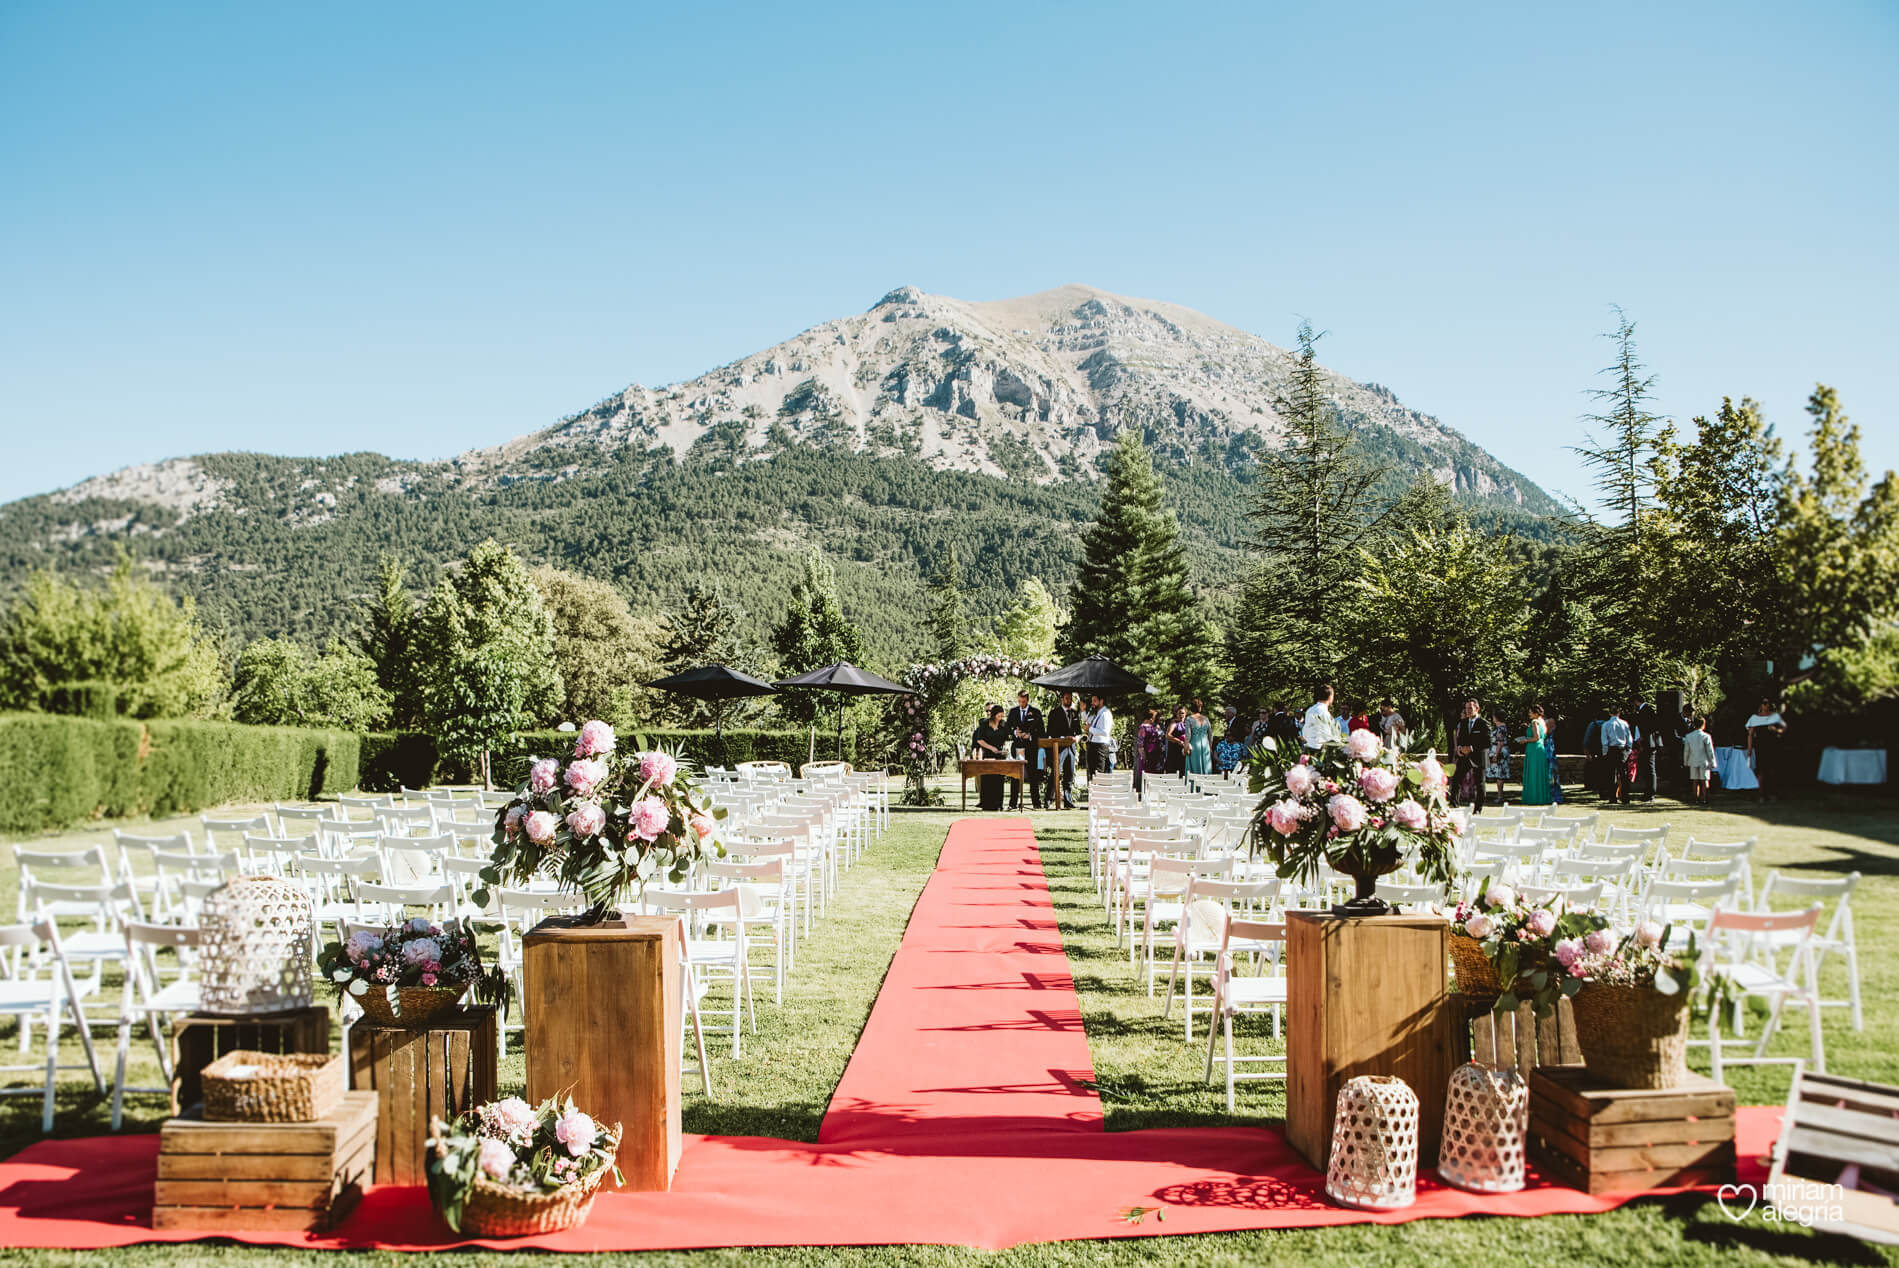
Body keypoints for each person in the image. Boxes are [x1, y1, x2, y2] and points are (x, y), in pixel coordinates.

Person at [1006, 690, 1044, 810]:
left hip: (1031, 748)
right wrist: (1014, 732)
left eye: (1023, 701)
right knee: (1016, 775)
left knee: (1033, 776)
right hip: (1019, 748)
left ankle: (1036, 803)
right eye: (1019, 701)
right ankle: (1013, 803)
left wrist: (1030, 736)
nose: (1021, 704)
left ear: (1027, 700)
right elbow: (1007, 728)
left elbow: (1042, 731)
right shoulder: (1013, 712)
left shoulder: (1036, 713)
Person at [1452, 699, 1492, 812]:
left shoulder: (1484, 724)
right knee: (1456, 780)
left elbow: (1488, 742)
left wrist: (1472, 748)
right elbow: (1460, 739)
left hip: (1479, 758)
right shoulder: (1464, 723)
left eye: (1470, 708)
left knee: (1480, 783)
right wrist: (1460, 748)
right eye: (1466, 708)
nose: (1468, 711)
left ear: (1477, 708)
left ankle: (1478, 809)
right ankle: (1454, 806)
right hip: (1465, 757)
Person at [1746, 698, 1788, 802]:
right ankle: (1761, 794)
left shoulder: (1775, 716)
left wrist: (1776, 729)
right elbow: (1750, 734)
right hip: (1761, 747)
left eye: (1768, 703)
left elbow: (1784, 728)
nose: (1766, 705)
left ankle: (1771, 793)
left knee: (1772, 770)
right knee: (1761, 770)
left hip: (1773, 746)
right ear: (1760, 705)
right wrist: (1750, 748)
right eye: (1764, 703)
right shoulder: (1754, 718)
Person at [1045, 691, 1081, 809]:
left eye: (1070, 699)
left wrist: (1076, 738)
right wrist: (1062, 738)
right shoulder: (1054, 713)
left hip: (1071, 747)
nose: (1068, 701)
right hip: (1059, 747)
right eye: (1066, 698)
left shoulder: (1075, 713)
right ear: (1062, 699)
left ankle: (1068, 800)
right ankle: (1048, 799)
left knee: (1069, 774)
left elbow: (1079, 732)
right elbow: (1050, 732)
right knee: (1055, 773)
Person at [971, 705, 1011, 811]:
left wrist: (1004, 749)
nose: (1000, 718)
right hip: (987, 754)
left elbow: (1007, 739)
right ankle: (987, 804)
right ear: (993, 715)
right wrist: (991, 748)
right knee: (987, 779)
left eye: (1002, 716)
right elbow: (979, 740)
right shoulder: (984, 725)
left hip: (999, 755)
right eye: (998, 716)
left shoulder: (1003, 726)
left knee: (998, 779)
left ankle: (998, 804)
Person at [1519, 703, 1553, 806]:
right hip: (1540, 748)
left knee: (1534, 773)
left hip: (1534, 749)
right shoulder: (1543, 722)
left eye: (1530, 712)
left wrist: (1525, 740)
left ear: (1535, 713)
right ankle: (1541, 797)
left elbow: (1536, 737)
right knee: (1539, 773)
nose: (1529, 714)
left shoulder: (1534, 722)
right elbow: (1543, 737)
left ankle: (1533, 798)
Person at [1600, 704, 1633, 805]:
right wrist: (1629, 749)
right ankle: (1625, 797)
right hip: (1622, 749)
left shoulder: (1606, 725)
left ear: (1609, 713)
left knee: (1611, 774)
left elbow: (1604, 740)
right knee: (1624, 774)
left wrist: (1604, 752)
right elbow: (1629, 738)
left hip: (1611, 749)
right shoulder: (1624, 724)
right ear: (1619, 712)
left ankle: (1612, 797)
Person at [1632, 698, 1661, 802]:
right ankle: (1648, 792)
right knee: (1647, 769)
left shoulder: (1646, 711)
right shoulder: (1647, 710)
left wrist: (1641, 741)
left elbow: (1647, 728)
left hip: (1648, 744)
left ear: (1636, 702)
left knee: (1649, 768)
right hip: (1648, 743)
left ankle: (1650, 794)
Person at [1682, 716, 1716, 802]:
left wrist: (1685, 761)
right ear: (1703, 725)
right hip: (1704, 761)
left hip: (1693, 761)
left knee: (1695, 781)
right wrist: (1713, 762)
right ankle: (1705, 798)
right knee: (1704, 780)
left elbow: (1686, 751)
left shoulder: (1689, 736)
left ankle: (1695, 799)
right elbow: (1710, 751)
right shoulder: (1706, 736)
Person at [1134, 707, 1165, 792]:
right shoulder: (1143, 727)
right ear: (1150, 718)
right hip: (1148, 753)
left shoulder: (1153, 726)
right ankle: (1145, 792)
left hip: (1156, 753)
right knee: (1147, 774)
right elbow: (1140, 744)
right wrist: (1143, 756)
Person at [1485, 705, 1511, 805]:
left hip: (1499, 752)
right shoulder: (1501, 728)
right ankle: (1500, 796)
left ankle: (1500, 796)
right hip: (1498, 751)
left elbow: (1500, 742)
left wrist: (1496, 754)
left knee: (1500, 774)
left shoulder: (1501, 729)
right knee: (1499, 774)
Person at [1085, 694, 1115, 776]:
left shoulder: (1105, 714)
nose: (1092, 703)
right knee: (1093, 773)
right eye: (1092, 701)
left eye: (1095, 700)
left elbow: (1105, 732)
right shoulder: (1098, 713)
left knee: (1098, 773)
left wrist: (1090, 729)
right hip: (1094, 745)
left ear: (1101, 701)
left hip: (1100, 747)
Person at [1302, 685, 1339, 750]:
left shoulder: (1310, 710)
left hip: (1308, 746)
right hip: (1319, 748)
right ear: (1330, 697)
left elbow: (1305, 729)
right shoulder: (1324, 712)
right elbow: (1327, 733)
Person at [1215, 706, 1248, 775]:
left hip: (1236, 751)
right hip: (1223, 765)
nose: (1225, 714)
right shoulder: (1222, 744)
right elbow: (1215, 753)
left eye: (1226, 713)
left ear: (1231, 713)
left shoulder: (1238, 722)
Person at [1186, 702, 1213, 776]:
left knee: (1195, 766)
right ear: (1200, 708)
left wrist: (1186, 747)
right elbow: (1210, 735)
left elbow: (1188, 735)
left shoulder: (1189, 719)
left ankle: (1194, 785)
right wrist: (1210, 747)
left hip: (1195, 744)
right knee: (1206, 765)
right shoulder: (1206, 719)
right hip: (1205, 744)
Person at [1165, 704, 1190, 776]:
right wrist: (1178, 741)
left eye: (1183, 713)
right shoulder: (1174, 723)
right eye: (1179, 713)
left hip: (1183, 750)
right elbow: (1168, 735)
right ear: (1176, 714)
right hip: (1174, 750)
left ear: (1185, 714)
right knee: (1173, 771)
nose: (1181, 715)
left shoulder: (1187, 723)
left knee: (1183, 771)